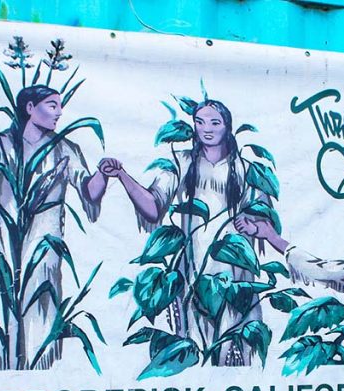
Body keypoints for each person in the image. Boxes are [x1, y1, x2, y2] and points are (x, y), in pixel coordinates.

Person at [99, 100, 268, 367]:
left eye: (215, 122)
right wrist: (122, 175)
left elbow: (260, 218)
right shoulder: (182, 163)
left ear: (228, 127)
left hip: (234, 270)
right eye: (200, 122)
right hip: (193, 267)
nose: (207, 129)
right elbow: (153, 207)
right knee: (195, 341)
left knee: (233, 343)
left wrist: (253, 226)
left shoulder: (245, 169)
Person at [0, 84, 108, 370]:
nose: (59, 112)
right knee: (0, 310)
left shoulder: (64, 150)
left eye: (59, 105)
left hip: (44, 246)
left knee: (42, 308)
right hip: (1, 245)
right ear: (30, 108)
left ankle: (39, 374)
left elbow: (88, 192)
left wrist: (104, 175)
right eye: (52, 105)